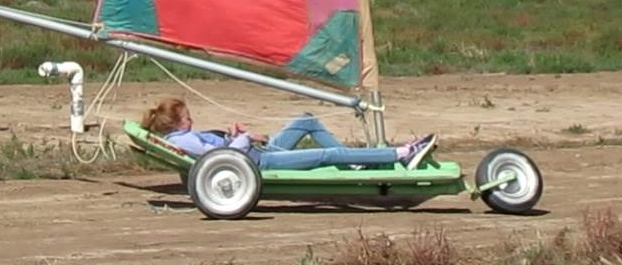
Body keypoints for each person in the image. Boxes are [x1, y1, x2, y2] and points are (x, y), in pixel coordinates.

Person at [141, 97, 438, 171]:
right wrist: (245, 140)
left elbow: (221, 149)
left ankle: (352, 164)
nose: (192, 117)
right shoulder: (183, 140)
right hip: (259, 163)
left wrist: (235, 136)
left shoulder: (181, 136)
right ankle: (401, 154)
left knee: (305, 120)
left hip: (254, 153)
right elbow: (219, 159)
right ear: (178, 122)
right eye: (187, 114)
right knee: (327, 154)